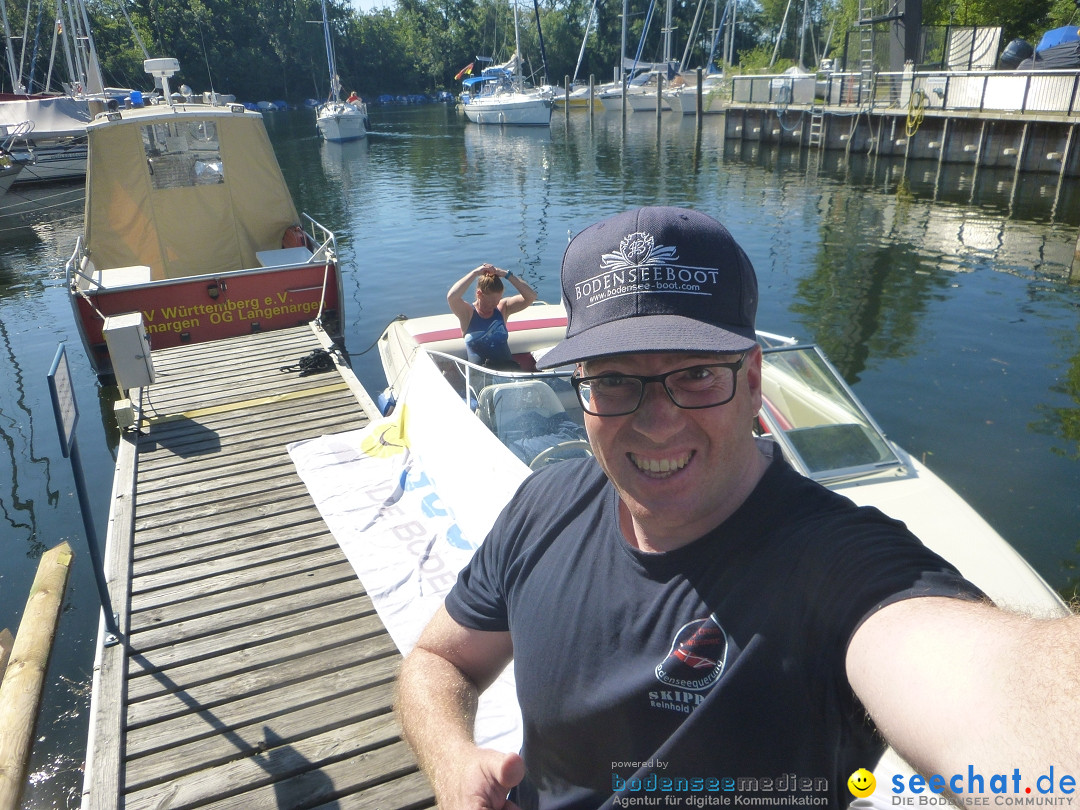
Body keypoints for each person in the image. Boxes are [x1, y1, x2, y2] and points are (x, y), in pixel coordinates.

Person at [398, 207, 1080, 810]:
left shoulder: (834, 570)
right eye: (613, 380)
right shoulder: (543, 507)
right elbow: (438, 659)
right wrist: (454, 763)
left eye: (695, 374)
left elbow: (999, 694)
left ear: (753, 382)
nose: (656, 422)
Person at [448, 263, 538, 369]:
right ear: (479, 294)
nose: (493, 305)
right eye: (490, 302)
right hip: (481, 377)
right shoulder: (468, 313)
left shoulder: (502, 309)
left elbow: (531, 297)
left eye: (497, 301)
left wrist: (507, 275)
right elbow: (452, 297)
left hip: (508, 372)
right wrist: (475, 273)